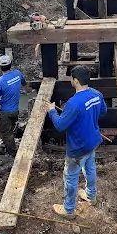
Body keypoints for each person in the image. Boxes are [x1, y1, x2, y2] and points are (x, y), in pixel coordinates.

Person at [45, 65, 107, 219]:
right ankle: (91, 196)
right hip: (92, 141)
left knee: (71, 177)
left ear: (76, 81)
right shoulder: (96, 94)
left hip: (78, 147)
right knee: (90, 167)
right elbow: (103, 111)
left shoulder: (73, 103)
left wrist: (51, 111)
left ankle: (68, 209)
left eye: (71, 78)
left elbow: (60, 125)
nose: (71, 81)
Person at [0, 54, 25, 156]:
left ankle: (12, 155)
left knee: (6, 133)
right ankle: (7, 145)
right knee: (10, 130)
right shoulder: (18, 74)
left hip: (4, 113)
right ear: (11, 64)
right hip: (15, 111)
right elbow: (24, 82)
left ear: (0, 66)